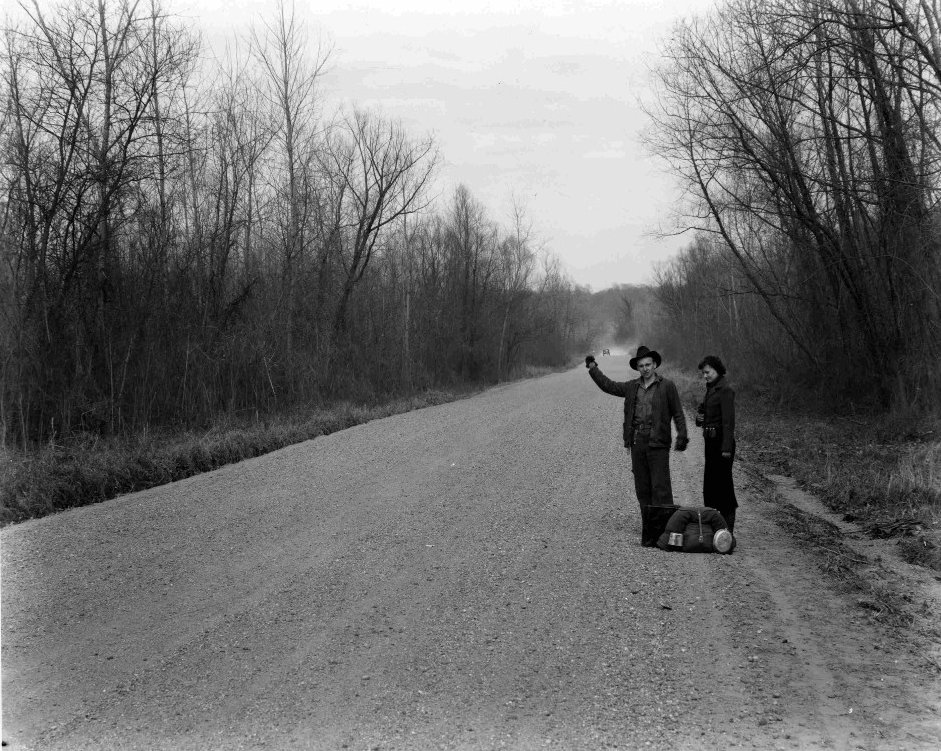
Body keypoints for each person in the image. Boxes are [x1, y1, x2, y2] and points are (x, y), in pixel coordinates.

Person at [586, 345, 688, 545]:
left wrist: (682, 434)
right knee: (642, 487)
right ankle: (649, 528)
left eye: (648, 364)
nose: (645, 368)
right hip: (637, 441)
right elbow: (609, 385)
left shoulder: (667, 386)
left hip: (658, 442)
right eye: (641, 365)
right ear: (638, 368)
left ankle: (665, 529)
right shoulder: (632, 387)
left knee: (661, 486)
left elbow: (677, 412)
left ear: (655, 364)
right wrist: (593, 368)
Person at [696, 355, 738, 533]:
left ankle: (727, 530)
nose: (705, 375)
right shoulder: (711, 389)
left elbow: (728, 421)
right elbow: (705, 417)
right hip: (711, 444)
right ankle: (714, 526)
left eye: (707, 372)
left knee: (724, 486)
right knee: (711, 485)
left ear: (717, 369)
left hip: (722, 445)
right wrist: (699, 419)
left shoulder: (725, 390)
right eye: (703, 373)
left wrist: (727, 448)